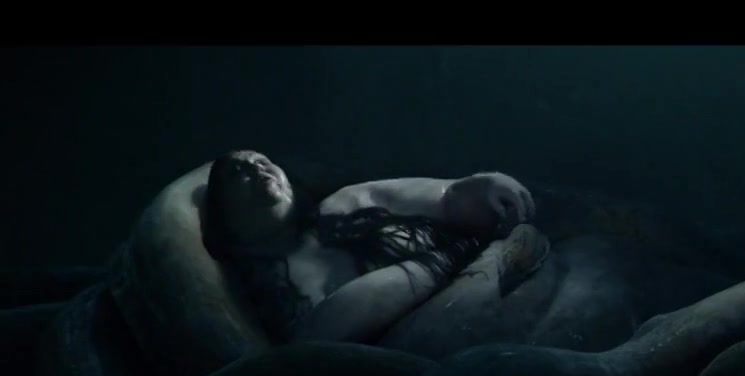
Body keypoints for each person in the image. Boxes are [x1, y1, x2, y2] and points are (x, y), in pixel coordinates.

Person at [201, 150, 535, 344]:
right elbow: (319, 338)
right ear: (223, 215)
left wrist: (486, 187)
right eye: (237, 172)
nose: (256, 168)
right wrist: (445, 261)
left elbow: (449, 197)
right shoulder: (261, 291)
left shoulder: (345, 203)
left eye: (262, 161)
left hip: (505, 274)